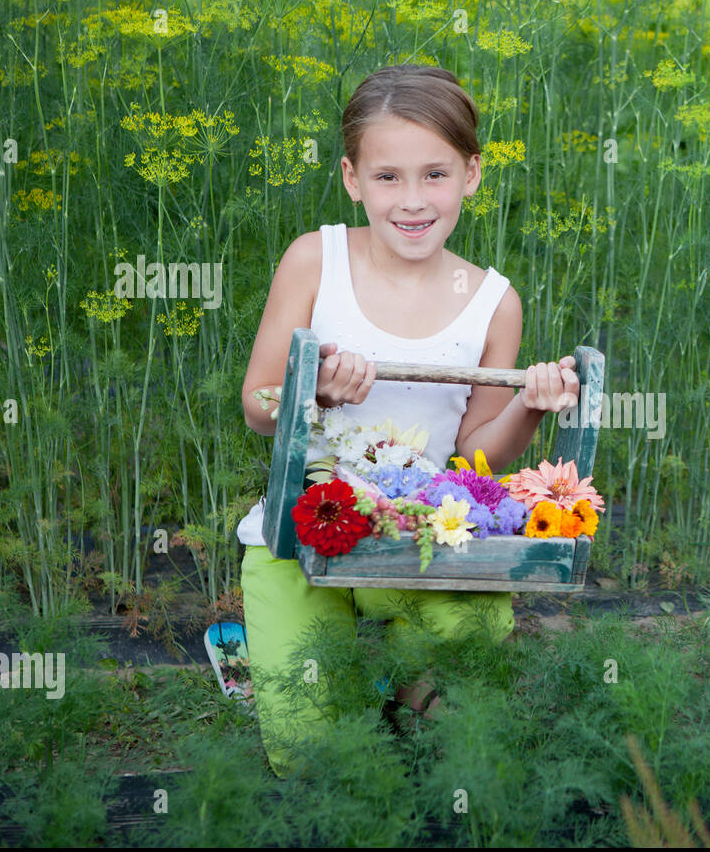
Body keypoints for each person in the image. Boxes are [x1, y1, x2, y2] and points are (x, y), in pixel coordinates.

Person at [235, 65, 579, 778]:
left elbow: (477, 457)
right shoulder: (314, 260)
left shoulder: (491, 301)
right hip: (303, 535)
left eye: (435, 174)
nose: (413, 200)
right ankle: (303, 684)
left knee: (466, 647)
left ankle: (400, 690)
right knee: (309, 758)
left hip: (418, 538)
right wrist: (316, 396)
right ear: (353, 178)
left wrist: (528, 405)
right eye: (388, 177)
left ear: (472, 174)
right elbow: (257, 405)